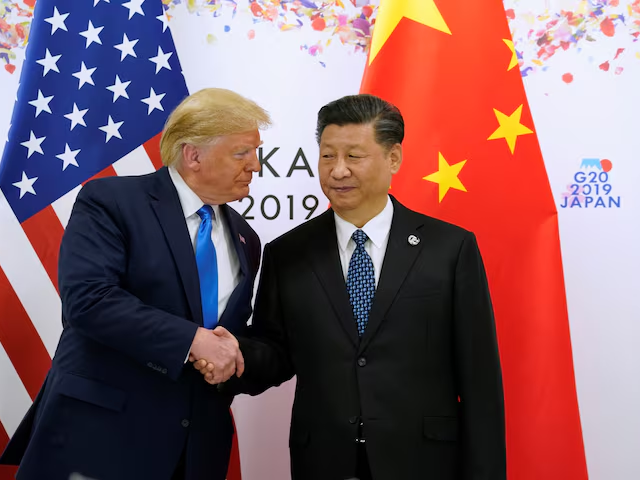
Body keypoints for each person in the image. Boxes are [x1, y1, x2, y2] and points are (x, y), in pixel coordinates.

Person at [200, 94, 506, 479]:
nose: (338, 171)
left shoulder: (450, 248)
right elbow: (275, 354)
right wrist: (230, 354)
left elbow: (480, 380)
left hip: (424, 461)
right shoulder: (288, 253)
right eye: (328, 156)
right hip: (325, 461)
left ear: (393, 158)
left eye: (354, 156)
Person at [0, 88, 271, 480]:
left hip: (194, 454)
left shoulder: (246, 238)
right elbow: (89, 301)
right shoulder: (112, 201)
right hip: (100, 442)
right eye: (242, 153)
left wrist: (233, 354)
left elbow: (228, 335)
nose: (256, 165)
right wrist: (194, 340)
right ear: (193, 155)